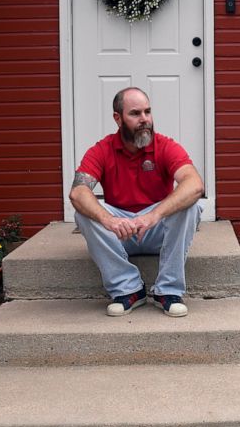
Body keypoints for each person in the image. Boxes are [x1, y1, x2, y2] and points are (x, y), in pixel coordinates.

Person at [70, 87, 204, 317]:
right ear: (117, 118)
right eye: (135, 113)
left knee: (191, 204)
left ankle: (168, 291)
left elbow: (195, 184)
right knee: (82, 211)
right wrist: (109, 220)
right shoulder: (102, 149)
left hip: (155, 230)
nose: (145, 120)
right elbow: (78, 192)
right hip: (120, 233)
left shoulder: (165, 146)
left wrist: (153, 216)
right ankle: (128, 289)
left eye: (148, 112)